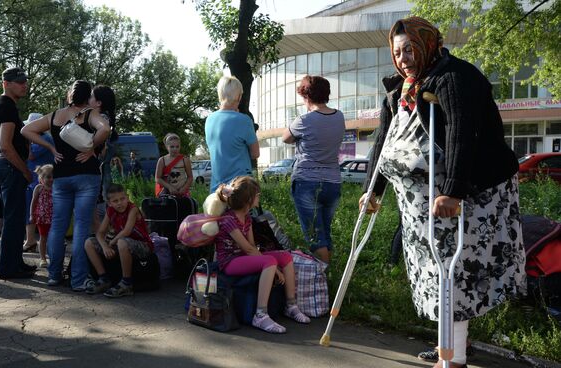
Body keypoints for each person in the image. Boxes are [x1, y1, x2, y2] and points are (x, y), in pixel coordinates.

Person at [360, 17, 526, 368]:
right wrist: (372, 189)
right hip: (420, 204)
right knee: (435, 274)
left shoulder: (455, 77)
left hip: (471, 194)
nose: (403, 57)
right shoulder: (401, 87)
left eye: (409, 49)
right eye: (397, 51)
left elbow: (462, 136)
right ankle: (446, 345)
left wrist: (453, 192)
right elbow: (383, 141)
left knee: (456, 272)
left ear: (427, 44)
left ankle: (454, 358)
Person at [21, 80, 110, 290]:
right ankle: (78, 280)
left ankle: (53, 275)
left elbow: (26, 130)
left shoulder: (55, 116)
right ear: (88, 96)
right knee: (80, 227)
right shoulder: (90, 114)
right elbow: (105, 129)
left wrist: (51, 149)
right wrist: (92, 147)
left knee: (57, 226)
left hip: (61, 177)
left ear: (69, 94)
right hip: (87, 175)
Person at [214, 176, 310, 334]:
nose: (259, 197)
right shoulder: (228, 220)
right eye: (257, 194)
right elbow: (249, 249)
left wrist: (273, 263)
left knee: (285, 256)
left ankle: (291, 305)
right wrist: (276, 270)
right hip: (230, 262)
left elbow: (252, 246)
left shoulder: (247, 217)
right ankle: (260, 315)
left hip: (243, 257)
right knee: (270, 262)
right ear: (249, 199)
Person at [281, 75, 345, 263]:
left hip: (307, 182)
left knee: (315, 238)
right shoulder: (339, 116)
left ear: (306, 96)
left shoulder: (304, 120)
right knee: (324, 232)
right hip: (333, 182)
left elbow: (286, 138)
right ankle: (326, 279)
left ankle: (321, 281)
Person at [0, 67, 36, 280]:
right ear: (5, 83)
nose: (23, 84)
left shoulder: (3, 105)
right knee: (13, 220)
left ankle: (15, 262)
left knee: (14, 219)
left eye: (24, 81)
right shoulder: (6, 106)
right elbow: (5, 145)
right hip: (9, 166)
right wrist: (25, 170)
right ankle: (8, 268)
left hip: (3, 166)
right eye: (18, 81)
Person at [84, 183, 153, 297]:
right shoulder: (110, 211)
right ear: (109, 203)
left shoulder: (133, 209)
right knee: (89, 242)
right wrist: (105, 247)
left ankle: (127, 283)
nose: (120, 203)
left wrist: (111, 242)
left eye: (122, 199)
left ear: (127, 197)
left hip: (143, 246)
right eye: (115, 201)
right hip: (121, 243)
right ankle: (104, 279)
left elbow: (126, 231)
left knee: (122, 241)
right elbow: (100, 233)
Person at [205, 76, 259, 192]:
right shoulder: (244, 120)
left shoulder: (209, 119)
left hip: (217, 189)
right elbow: (255, 153)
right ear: (239, 96)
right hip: (240, 188)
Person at [22, 112, 55, 253]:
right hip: (34, 181)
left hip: (40, 183)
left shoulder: (45, 139)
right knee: (31, 211)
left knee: (36, 211)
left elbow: (30, 155)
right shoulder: (41, 138)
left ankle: (32, 241)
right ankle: (31, 240)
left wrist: (27, 142)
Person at [29, 164, 54, 268]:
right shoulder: (39, 188)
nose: (51, 179)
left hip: (54, 218)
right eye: (48, 177)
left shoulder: (57, 188)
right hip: (42, 218)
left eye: (53, 177)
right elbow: (33, 202)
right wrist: (31, 214)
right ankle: (43, 258)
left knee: (53, 239)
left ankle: (53, 257)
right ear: (41, 178)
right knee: (43, 238)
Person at [154, 133, 192, 197]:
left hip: (182, 192)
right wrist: (169, 187)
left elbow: (190, 177)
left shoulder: (185, 159)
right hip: (167, 192)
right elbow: (157, 178)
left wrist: (184, 188)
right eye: (172, 147)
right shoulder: (162, 160)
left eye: (177, 146)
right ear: (166, 146)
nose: (175, 149)